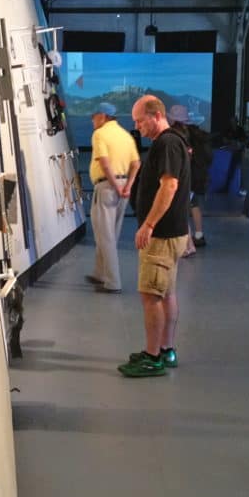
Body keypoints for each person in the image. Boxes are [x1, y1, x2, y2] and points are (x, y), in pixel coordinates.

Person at [117, 95, 191, 377]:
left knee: (151, 295)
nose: (137, 126)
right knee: (166, 293)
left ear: (156, 115)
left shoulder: (167, 143)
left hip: (161, 236)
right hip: (170, 232)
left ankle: (152, 357)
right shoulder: (171, 142)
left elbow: (169, 186)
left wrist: (148, 224)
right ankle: (165, 348)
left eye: (140, 120)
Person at [86, 102, 140, 293]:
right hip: (123, 187)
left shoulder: (100, 134)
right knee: (110, 234)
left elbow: (105, 163)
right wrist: (128, 186)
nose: (92, 120)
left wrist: (116, 186)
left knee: (105, 236)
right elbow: (136, 163)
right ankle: (99, 273)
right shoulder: (126, 135)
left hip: (107, 187)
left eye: (94, 117)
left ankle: (113, 282)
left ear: (102, 116)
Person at [168, 104, 213, 256]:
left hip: (187, 176)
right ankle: (198, 236)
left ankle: (186, 245)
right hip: (198, 176)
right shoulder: (196, 133)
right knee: (193, 205)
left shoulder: (181, 135)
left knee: (179, 208)